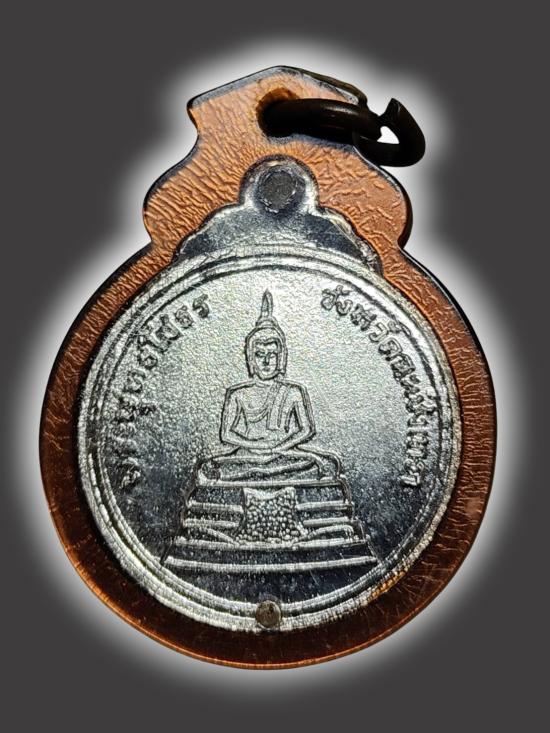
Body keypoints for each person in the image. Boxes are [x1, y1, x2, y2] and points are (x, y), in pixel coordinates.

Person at [199, 291, 340, 483]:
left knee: (321, 464)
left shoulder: (293, 391)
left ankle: (258, 475)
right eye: (259, 354)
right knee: (209, 467)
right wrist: (254, 445)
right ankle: (261, 474)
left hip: (284, 452)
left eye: (272, 355)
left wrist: (277, 447)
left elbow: (306, 430)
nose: (266, 362)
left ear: (280, 358)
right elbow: (226, 434)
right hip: (248, 454)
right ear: (251, 358)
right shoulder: (238, 393)